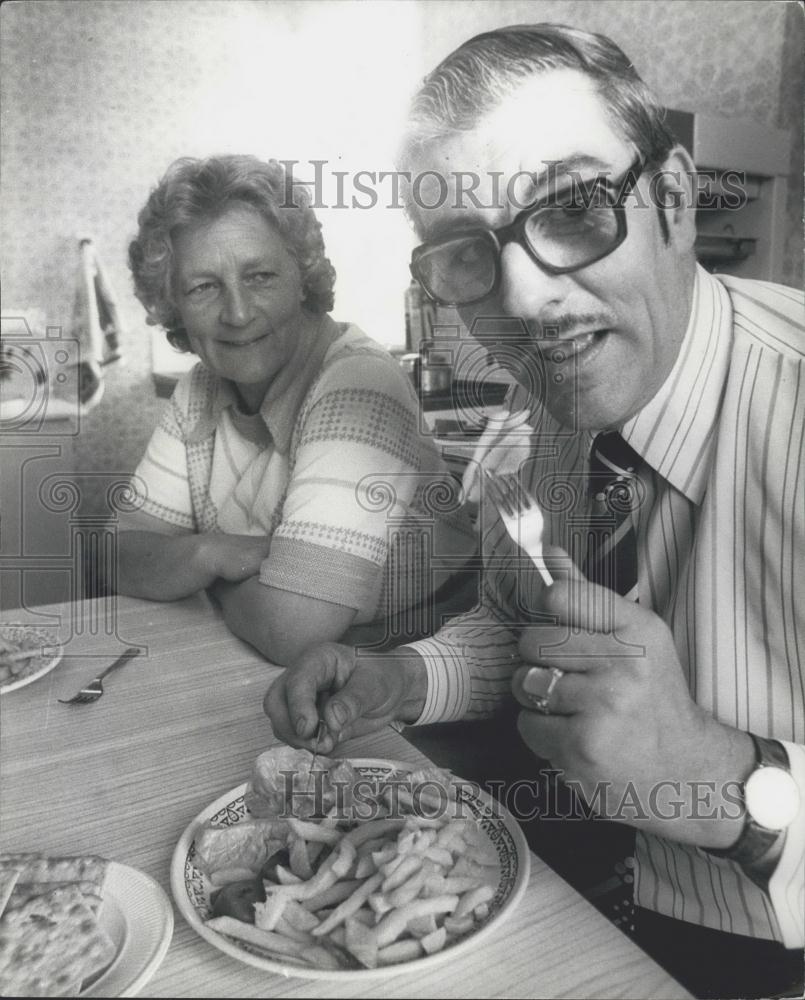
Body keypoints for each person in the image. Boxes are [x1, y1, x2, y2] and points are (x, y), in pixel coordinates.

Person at [264, 24, 804, 999]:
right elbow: (520, 626)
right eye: (465, 254)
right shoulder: (542, 403)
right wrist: (402, 678)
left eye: (570, 206)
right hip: (571, 906)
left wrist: (732, 785)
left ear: (674, 198)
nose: (525, 298)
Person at [117, 154, 476, 666]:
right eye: (203, 287)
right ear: (172, 304)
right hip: (269, 662)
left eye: (260, 276)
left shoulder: (358, 383)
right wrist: (208, 553)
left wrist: (196, 576)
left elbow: (293, 628)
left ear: (302, 277)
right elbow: (117, 553)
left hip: (407, 681)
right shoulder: (201, 386)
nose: (238, 314)